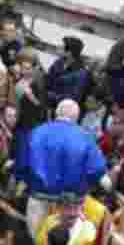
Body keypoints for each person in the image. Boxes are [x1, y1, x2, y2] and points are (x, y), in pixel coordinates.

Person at [15, 100, 109, 236]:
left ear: (56, 113)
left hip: (39, 199)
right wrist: (83, 187)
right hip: (71, 205)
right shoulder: (85, 136)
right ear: (76, 117)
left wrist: (31, 183)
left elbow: (21, 165)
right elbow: (97, 170)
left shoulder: (36, 132)